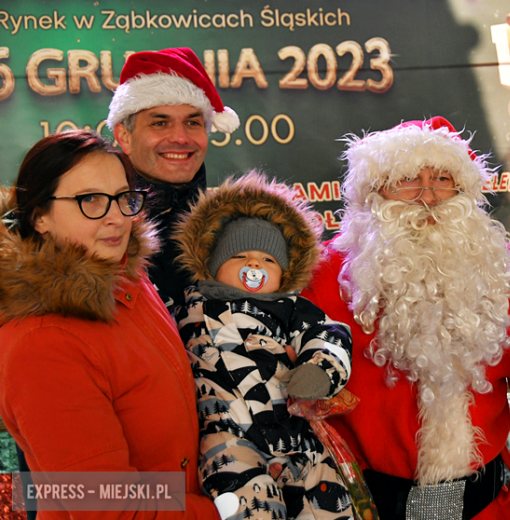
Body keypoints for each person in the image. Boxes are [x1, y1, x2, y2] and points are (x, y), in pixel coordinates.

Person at [300, 116, 510, 520]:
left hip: (483, 509)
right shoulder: (327, 276)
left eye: (443, 179)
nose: (428, 196)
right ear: (374, 193)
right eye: (408, 179)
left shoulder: (503, 272)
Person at [0, 130, 219, 519]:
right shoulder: (42, 341)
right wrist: (224, 512)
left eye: (124, 198)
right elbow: (105, 504)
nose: (117, 217)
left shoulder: (124, 274)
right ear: (40, 216)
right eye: (90, 200)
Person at [172, 172, 355, 520]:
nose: (255, 265)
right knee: (247, 503)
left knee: (326, 502)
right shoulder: (186, 309)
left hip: (295, 435)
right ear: (213, 266)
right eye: (240, 257)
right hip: (227, 435)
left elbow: (330, 335)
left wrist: (319, 371)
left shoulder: (290, 308)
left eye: (268, 260)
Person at [107, 46, 240, 309]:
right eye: (160, 123)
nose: (181, 138)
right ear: (124, 137)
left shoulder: (237, 228)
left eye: (192, 123)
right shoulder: (100, 226)